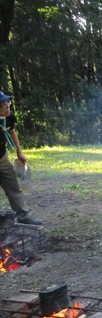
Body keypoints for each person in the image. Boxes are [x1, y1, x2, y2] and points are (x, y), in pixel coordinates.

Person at [0, 91, 41, 225]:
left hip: (2, 156)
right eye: (2, 103)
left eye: (7, 102)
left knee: (13, 186)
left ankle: (24, 216)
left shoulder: (9, 116)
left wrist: (19, 152)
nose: (7, 106)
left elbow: (11, 131)